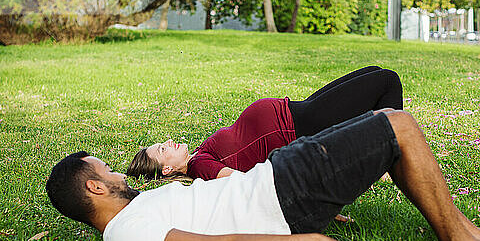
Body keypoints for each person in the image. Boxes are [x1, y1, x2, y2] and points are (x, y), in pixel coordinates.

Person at [46, 109, 480, 241]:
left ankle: (462, 230)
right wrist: (309, 239)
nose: (116, 173)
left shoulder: (137, 211)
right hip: (284, 195)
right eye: (106, 170)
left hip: (277, 178)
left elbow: (214, 208)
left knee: (386, 129)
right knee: (397, 126)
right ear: (94, 187)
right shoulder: (125, 236)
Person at [126, 66, 403, 181]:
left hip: (296, 110)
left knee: (374, 73)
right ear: (168, 169)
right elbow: (243, 183)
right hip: (300, 127)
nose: (168, 143)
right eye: (162, 149)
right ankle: (397, 156)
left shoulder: (199, 154)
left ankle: (387, 149)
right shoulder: (201, 167)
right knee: (387, 81)